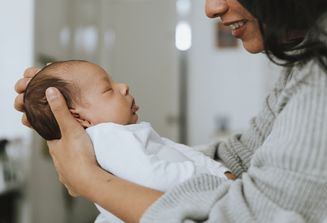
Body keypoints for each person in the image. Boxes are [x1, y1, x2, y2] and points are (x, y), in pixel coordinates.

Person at [14, 0, 327, 222]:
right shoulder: (318, 50)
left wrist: (89, 178)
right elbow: (241, 158)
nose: (211, 7)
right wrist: (79, 141)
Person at [23, 60, 233, 223]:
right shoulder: (106, 137)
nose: (123, 87)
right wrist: (214, 180)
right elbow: (153, 179)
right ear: (79, 118)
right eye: (108, 89)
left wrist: (217, 170)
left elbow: (179, 151)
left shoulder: (123, 134)